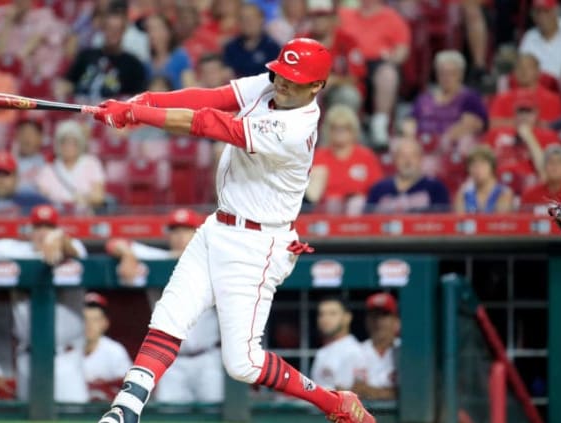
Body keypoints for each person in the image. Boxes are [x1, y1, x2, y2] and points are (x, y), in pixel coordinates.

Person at [91, 37, 374, 423]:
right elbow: (211, 97)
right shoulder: (270, 84)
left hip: (257, 245)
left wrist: (138, 115)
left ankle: (332, 402)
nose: (282, 82)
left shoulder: (295, 128)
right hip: (218, 225)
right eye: (281, 73)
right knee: (169, 316)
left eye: (294, 78)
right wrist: (146, 101)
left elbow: (211, 123)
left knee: (242, 363)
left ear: (317, 87)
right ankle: (126, 410)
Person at [0, 204, 89, 403]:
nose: (43, 232)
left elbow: (71, 248)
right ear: (30, 230)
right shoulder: (15, 249)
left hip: (66, 360)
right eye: (38, 227)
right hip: (28, 357)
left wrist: (59, 238)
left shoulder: (75, 247)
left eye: (49, 227)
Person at [106, 208, 224, 404]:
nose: (180, 237)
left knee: (217, 413)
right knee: (169, 414)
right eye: (175, 231)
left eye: (186, 230)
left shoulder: (214, 261)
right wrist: (127, 255)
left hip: (207, 358)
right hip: (171, 361)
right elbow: (115, 243)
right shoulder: (158, 259)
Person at [337, 0, 411, 146]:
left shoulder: (392, 17)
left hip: (379, 63)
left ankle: (380, 124)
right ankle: (349, 128)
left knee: (388, 74)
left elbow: (402, 50)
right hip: (351, 64)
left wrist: (391, 58)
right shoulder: (345, 14)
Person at [306, 105, 384, 216]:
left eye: (345, 128)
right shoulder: (319, 156)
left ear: (353, 129)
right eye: (335, 128)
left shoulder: (366, 156)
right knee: (333, 204)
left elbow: (377, 190)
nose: (340, 132)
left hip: (360, 213)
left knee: (356, 203)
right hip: (325, 213)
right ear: (328, 130)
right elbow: (312, 195)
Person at [402, 50, 488, 151]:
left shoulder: (469, 97)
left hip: (453, 146)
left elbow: (472, 124)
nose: (446, 78)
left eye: (451, 73)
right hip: (422, 145)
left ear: (460, 74)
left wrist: (443, 141)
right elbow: (410, 121)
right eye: (442, 73)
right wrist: (409, 134)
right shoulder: (424, 98)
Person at [61, 2, 147, 100]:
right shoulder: (85, 56)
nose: (113, 33)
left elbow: (137, 100)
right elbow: (66, 84)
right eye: (109, 28)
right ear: (102, 29)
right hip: (82, 109)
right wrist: (65, 89)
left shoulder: (134, 66)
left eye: (117, 29)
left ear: (124, 30)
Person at [299, 0, 366, 112]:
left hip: (336, 92)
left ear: (334, 19)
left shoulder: (348, 42)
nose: (318, 21)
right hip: (308, 91)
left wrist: (334, 80)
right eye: (314, 17)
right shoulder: (301, 41)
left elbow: (355, 77)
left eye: (323, 17)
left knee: (348, 95)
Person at [35, 121, 105, 215]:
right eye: (64, 142)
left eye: (73, 142)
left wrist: (83, 199)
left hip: (83, 217)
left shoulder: (91, 163)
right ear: (58, 145)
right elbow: (41, 198)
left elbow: (99, 197)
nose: (68, 147)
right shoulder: (48, 169)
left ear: (80, 143)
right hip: (56, 216)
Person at [366, 138, 450, 213]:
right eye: (402, 156)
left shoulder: (435, 188)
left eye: (413, 156)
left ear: (421, 159)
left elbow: (443, 221)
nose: (407, 161)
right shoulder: (379, 188)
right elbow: (368, 220)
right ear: (395, 159)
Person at [0, 0, 67, 79]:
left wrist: (14, 63)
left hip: (37, 74)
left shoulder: (43, 16)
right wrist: (8, 22)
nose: (19, 2)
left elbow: (34, 41)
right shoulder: (7, 18)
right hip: (9, 73)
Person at [82, 292, 133, 402]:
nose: (89, 325)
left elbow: (129, 389)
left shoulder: (115, 351)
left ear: (105, 323)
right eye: (85, 319)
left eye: (95, 320)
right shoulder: (66, 351)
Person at [489, 54, 561, 128]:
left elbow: (554, 127)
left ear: (538, 72)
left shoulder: (552, 99)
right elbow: (492, 124)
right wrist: (521, 123)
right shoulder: (502, 99)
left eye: (529, 67)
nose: (523, 71)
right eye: (519, 67)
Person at [310, 297, 366, 391]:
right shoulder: (323, 351)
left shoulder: (353, 351)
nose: (325, 319)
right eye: (321, 314)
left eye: (332, 314)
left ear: (347, 318)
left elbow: (348, 394)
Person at [352, 293, 399, 401]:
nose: (379, 321)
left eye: (384, 315)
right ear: (367, 321)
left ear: (396, 321)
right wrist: (391, 393)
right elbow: (350, 392)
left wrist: (367, 390)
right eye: (374, 315)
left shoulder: (404, 351)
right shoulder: (355, 351)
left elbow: (409, 392)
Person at [222, 3, 280, 78]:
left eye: (251, 19)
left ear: (261, 20)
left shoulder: (273, 49)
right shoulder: (230, 48)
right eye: (243, 19)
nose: (247, 23)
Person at [453, 145, 514, 214]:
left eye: (482, 164)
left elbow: (501, 222)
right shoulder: (463, 194)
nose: (478, 169)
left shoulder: (504, 193)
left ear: (492, 167)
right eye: (473, 165)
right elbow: (459, 222)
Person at [143, 14, 194, 90]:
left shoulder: (180, 57)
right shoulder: (147, 62)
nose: (151, 33)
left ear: (168, 31)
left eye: (155, 28)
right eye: (148, 29)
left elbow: (190, 87)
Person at [519, 0, 561, 80]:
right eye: (538, 12)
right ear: (532, 15)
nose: (542, 17)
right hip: (540, 88)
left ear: (556, 11)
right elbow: (523, 67)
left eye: (546, 11)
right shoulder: (530, 37)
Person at [13, 118, 47, 192]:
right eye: (23, 133)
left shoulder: (48, 164)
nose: (26, 138)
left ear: (40, 137)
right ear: (17, 136)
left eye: (31, 133)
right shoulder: (8, 163)